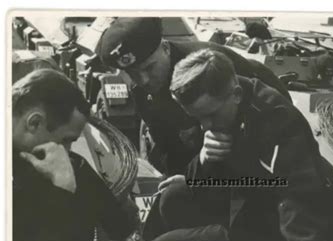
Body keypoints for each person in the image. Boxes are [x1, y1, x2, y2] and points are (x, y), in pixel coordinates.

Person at [147, 49, 333, 241]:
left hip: (276, 226)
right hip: (247, 199)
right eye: (198, 119)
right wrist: (203, 159)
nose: (205, 126)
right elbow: (216, 174)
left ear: (236, 95)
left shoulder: (276, 119)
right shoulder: (215, 106)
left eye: (210, 116)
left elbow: (299, 197)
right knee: (172, 197)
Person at [12, 69, 149, 241]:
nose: (67, 150)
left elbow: (109, 210)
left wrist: (131, 236)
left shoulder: (46, 157)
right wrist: (62, 190)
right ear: (34, 123)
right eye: (64, 140)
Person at [95, 17, 290, 177]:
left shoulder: (210, 66)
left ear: (165, 48)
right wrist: (187, 177)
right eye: (134, 73)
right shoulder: (141, 91)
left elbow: (271, 132)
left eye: (149, 67)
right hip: (205, 163)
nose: (144, 80)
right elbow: (167, 149)